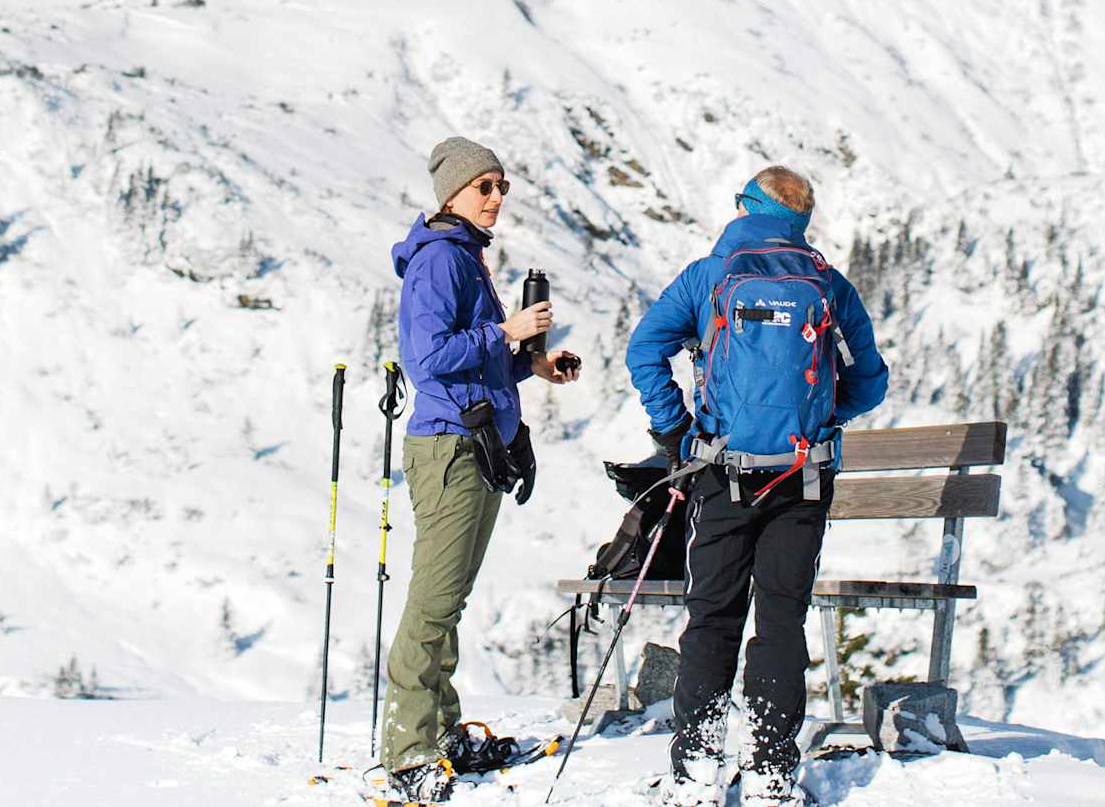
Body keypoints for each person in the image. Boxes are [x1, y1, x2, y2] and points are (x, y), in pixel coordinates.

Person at [625, 166, 888, 806]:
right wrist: (826, 420)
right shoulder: (826, 282)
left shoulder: (711, 276)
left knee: (711, 614)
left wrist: (677, 429)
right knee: (780, 620)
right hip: (802, 474)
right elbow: (872, 380)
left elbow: (644, 350)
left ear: (745, 207)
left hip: (721, 471)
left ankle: (696, 768)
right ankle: (772, 771)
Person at [380, 135, 582, 801]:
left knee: (449, 602)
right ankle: (409, 752)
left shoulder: (467, 259)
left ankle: (438, 736)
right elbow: (427, 356)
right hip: (449, 446)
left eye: (502, 186)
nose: (497, 198)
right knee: (432, 605)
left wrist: (534, 364)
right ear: (452, 193)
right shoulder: (441, 260)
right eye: (484, 187)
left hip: (478, 445)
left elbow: (480, 358)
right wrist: (508, 332)